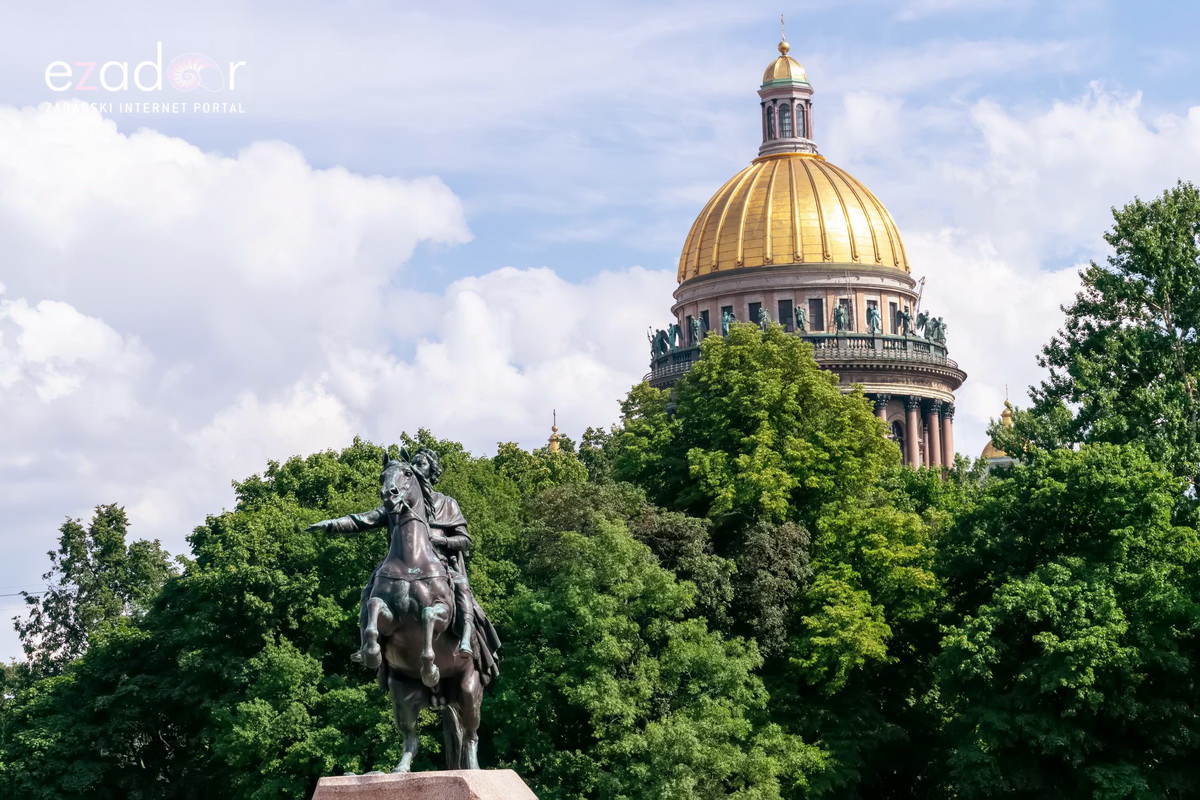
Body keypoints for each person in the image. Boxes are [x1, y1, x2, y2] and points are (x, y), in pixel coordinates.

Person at [308, 447, 500, 678]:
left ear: (432, 471)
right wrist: (329, 524)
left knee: (461, 586)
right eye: (414, 463)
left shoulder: (446, 503)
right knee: (369, 591)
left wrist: (441, 539)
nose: (417, 467)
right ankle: (366, 643)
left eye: (422, 464)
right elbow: (361, 520)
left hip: (440, 564)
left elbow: (464, 541)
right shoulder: (397, 505)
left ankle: (467, 637)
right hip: (399, 566)